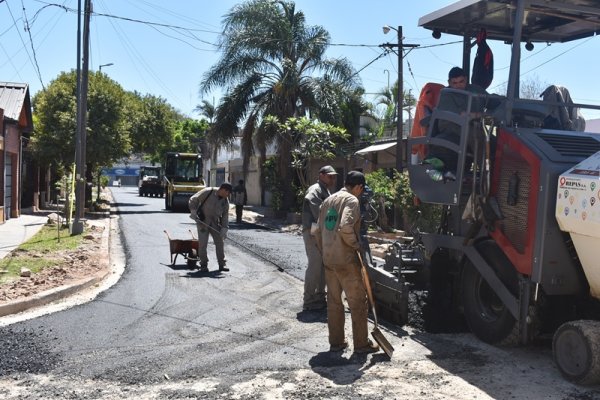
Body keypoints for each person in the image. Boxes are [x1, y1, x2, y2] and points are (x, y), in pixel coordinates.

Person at [314, 171, 379, 354]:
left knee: (334, 302)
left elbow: (317, 231)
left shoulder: (328, 200)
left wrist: (324, 251)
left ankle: (336, 342)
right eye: (361, 189)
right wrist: (355, 245)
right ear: (358, 187)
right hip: (346, 260)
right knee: (358, 301)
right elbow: (345, 226)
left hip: (329, 259)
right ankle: (360, 344)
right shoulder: (351, 201)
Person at [301, 165, 337, 311]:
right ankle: (309, 299)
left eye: (333, 176)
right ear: (321, 175)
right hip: (312, 232)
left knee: (322, 267)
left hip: (320, 233)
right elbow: (319, 212)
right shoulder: (315, 189)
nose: (332, 178)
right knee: (315, 266)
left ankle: (320, 297)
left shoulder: (325, 190)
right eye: (330, 176)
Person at [189, 182, 232, 272]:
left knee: (220, 243)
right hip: (202, 222)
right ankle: (204, 265)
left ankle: (222, 264)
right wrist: (193, 211)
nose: (228, 195)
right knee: (203, 244)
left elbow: (225, 216)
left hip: (215, 223)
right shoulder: (208, 192)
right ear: (223, 190)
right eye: (228, 192)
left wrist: (224, 228)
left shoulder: (225, 201)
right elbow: (193, 199)